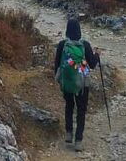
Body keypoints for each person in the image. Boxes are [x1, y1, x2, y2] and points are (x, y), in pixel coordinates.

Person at [54, 18, 100, 152]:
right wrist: (97, 55)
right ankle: (78, 140)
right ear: (79, 30)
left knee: (69, 105)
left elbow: (57, 64)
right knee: (81, 110)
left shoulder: (62, 45)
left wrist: (60, 79)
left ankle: (69, 132)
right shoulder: (85, 45)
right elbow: (91, 65)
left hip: (68, 80)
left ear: (67, 30)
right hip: (82, 81)